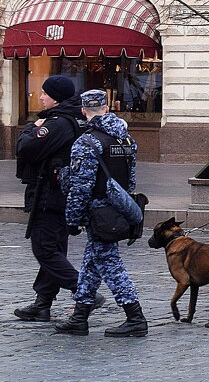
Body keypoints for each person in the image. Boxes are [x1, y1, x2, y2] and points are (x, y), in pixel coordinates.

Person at [53, 90, 146, 337]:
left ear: (84, 112)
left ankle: (135, 316)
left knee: (110, 264)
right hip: (117, 209)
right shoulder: (125, 139)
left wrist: (72, 220)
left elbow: (80, 187)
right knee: (91, 264)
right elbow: (131, 181)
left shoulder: (87, 142)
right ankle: (80, 316)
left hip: (98, 213)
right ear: (106, 108)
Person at [12, 76, 97, 321]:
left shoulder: (58, 123)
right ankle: (43, 303)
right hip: (62, 195)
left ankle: (83, 291)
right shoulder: (74, 118)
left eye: (45, 93)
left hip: (50, 195)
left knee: (45, 249)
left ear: (56, 97)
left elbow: (26, 148)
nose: (40, 97)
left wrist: (31, 129)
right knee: (55, 248)